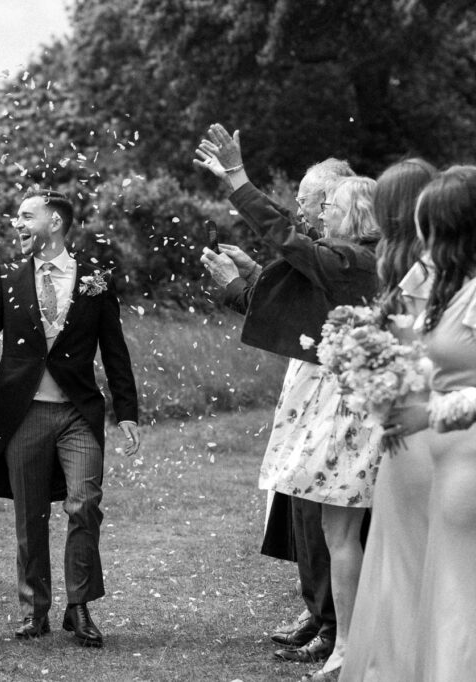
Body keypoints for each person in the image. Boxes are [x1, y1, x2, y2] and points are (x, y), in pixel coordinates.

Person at [196, 125, 382, 682]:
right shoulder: (350, 258)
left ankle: (340, 634)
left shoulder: (356, 260)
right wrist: (249, 279)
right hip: (330, 400)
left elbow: (289, 241)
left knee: (336, 529)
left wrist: (238, 180)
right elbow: (292, 282)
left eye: (326, 207)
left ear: (352, 213)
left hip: (345, 407)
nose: (316, 217)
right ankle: (333, 628)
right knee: (321, 522)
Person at [0, 188, 141, 648]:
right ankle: (34, 610)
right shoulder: (6, 276)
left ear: (54, 223)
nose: (16, 224)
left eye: (25, 216)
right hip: (22, 415)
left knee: (84, 504)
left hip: (78, 414)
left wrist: (127, 412)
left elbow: (114, 350)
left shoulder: (95, 280)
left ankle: (78, 606)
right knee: (30, 515)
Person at [373, 166, 476, 680]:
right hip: (447, 462)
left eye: (430, 231)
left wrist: (428, 411)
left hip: (468, 459)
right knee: (450, 601)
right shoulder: (453, 291)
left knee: (462, 605)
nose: (422, 243)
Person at [337, 159, 436, 681]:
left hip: (415, 428)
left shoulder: (416, 274)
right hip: (413, 426)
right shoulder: (415, 270)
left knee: (405, 560)